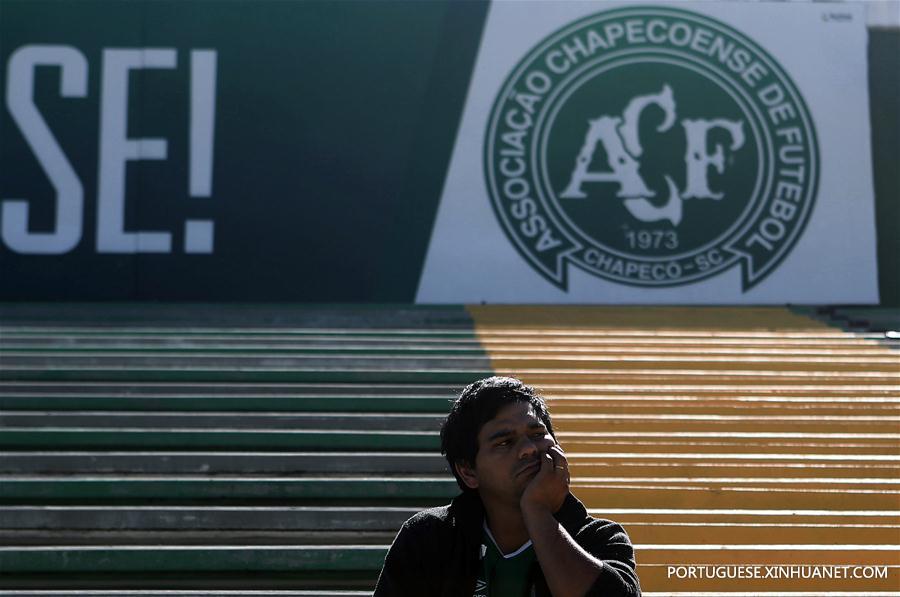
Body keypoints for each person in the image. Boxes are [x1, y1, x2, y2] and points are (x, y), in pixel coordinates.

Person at [374, 376, 641, 597]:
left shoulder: (599, 538)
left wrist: (537, 511)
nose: (528, 449)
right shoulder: (428, 538)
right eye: (504, 442)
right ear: (468, 471)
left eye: (537, 435)